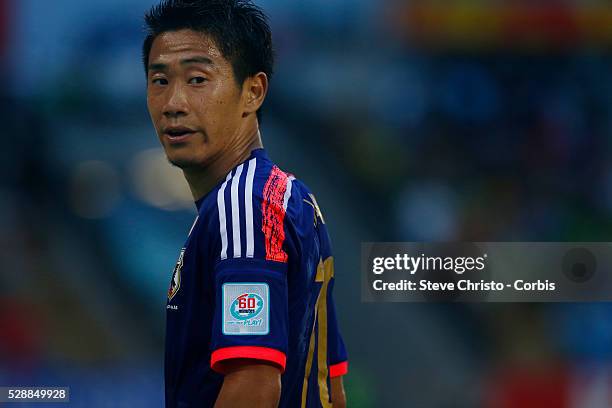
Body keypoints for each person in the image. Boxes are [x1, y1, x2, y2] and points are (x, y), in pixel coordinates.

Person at [142, 1, 348, 406]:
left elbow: (253, 383)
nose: (173, 103)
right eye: (160, 80)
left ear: (253, 91)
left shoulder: (245, 204)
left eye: (197, 79)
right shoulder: (291, 196)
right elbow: (330, 386)